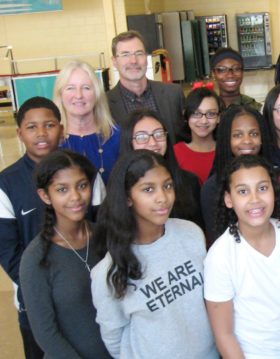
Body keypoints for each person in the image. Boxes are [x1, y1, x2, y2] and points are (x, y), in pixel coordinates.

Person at [91, 150, 217, 358]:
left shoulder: (191, 233)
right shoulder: (107, 272)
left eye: (167, 186)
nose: (163, 198)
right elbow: (114, 338)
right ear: (128, 197)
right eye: (148, 189)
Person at [204, 155, 280, 358]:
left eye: (262, 188)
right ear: (229, 199)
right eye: (243, 191)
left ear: (274, 190)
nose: (255, 199)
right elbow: (224, 334)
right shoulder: (220, 255)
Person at [19, 150, 110, 358]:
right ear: (45, 195)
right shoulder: (36, 258)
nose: (76, 197)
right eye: (62, 190)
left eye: (82, 185)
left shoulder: (105, 237)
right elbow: (46, 334)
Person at [0, 97, 63, 359]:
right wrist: (37, 287)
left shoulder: (84, 172)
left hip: (83, 293)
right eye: (32, 127)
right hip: (33, 300)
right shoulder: (6, 183)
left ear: (61, 128)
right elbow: (7, 250)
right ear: (19, 133)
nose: (41, 133)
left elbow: (99, 227)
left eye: (49, 125)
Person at [120, 108, 203, 229]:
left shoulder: (189, 181)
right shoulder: (120, 184)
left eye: (159, 134)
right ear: (129, 142)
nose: (153, 143)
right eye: (142, 137)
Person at [201, 106, 275, 240]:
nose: (247, 141)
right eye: (237, 135)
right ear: (226, 139)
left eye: (254, 134)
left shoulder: (274, 176)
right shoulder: (211, 188)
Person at [107, 30, 185, 140]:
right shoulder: (104, 105)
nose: (133, 61)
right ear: (114, 61)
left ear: (147, 58)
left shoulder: (173, 94)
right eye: (125, 55)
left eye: (139, 53)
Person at [54, 60, 120, 183]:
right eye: (70, 88)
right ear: (60, 95)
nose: (78, 95)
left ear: (97, 94)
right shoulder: (53, 141)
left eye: (86, 88)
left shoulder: (117, 137)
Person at [174, 87, 223, 184]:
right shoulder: (175, 152)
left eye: (211, 114)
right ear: (186, 115)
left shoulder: (226, 149)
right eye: (196, 113)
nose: (203, 121)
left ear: (218, 118)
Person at [210, 47, 262, 111]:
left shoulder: (254, 108)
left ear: (242, 72)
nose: (230, 75)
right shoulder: (209, 108)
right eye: (222, 69)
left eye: (236, 69)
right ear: (213, 74)